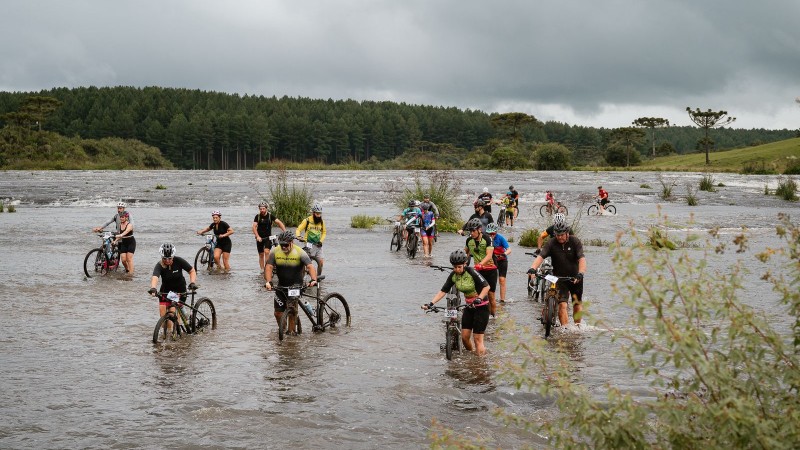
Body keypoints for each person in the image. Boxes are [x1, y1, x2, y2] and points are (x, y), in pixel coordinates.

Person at [421, 249, 490, 356]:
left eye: (459, 267)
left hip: (481, 307)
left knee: (477, 339)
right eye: (455, 267)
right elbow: (443, 290)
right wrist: (431, 303)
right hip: (468, 306)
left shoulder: (471, 272)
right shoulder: (453, 275)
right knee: (465, 338)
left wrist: (479, 298)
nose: (457, 269)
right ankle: (473, 359)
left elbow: (486, 287)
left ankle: (481, 364)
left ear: (464, 264)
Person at [527, 220, 587, 327]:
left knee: (576, 304)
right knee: (562, 305)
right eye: (557, 235)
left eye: (562, 235)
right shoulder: (551, 243)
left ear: (567, 233)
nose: (559, 237)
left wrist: (581, 273)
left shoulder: (575, 241)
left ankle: (577, 328)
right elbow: (541, 256)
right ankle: (566, 330)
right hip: (559, 278)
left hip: (575, 278)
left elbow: (582, 259)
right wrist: (533, 268)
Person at [264, 230, 318, 330]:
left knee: (292, 312)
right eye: (282, 245)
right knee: (277, 313)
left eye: (286, 245)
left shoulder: (300, 252)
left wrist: (313, 279)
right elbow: (269, 267)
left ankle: (291, 336)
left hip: (296, 285)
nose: (284, 247)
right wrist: (268, 281)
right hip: (281, 286)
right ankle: (283, 330)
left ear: (292, 242)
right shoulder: (275, 251)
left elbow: (310, 266)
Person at [148, 243, 197, 331]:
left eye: (169, 258)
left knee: (172, 316)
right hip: (166, 291)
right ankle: (166, 334)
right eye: (164, 258)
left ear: (173, 256)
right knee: (164, 321)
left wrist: (192, 282)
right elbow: (155, 277)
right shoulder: (159, 265)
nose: (167, 261)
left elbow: (192, 271)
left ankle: (175, 336)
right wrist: (153, 288)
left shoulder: (179, 261)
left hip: (180, 291)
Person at [463, 218, 499, 317]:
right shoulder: (469, 240)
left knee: (491, 296)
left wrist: (480, 264)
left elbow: (489, 255)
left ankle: (493, 317)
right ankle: (481, 314)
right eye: (470, 231)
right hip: (478, 271)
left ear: (479, 229)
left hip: (490, 270)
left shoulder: (487, 239)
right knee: (478, 295)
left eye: (473, 231)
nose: (471, 233)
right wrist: (462, 263)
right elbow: (465, 253)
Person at [252, 201, 286, 273]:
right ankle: (262, 270)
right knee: (261, 254)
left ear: (266, 209)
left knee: (267, 251)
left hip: (268, 237)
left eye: (263, 209)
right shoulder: (257, 216)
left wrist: (284, 231)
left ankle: (267, 268)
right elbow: (254, 227)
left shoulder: (270, 216)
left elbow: (279, 223)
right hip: (260, 238)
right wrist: (257, 236)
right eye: (260, 209)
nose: (262, 210)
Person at [296, 204, 326, 275]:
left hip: (318, 245)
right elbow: (298, 229)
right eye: (317, 213)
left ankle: (318, 278)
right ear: (313, 213)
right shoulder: (307, 221)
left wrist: (321, 241)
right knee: (308, 262)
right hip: (309, 244)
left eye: (320, 213)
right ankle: (303, 276)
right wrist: (299, 236)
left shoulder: (321, 222)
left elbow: (324, 232)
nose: (318, 215)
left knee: (321, 262)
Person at [486, 222, 510, 303]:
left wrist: (504, 254)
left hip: (502, 260)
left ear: (496, 232)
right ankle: (491, 299)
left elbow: (509, 250)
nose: (491, 235)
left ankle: (502, 300)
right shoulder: (486, 239)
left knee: (502, 279)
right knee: (491, 280)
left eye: (493, 233)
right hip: (492, 261)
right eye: (489, 233)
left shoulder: (500, 238)